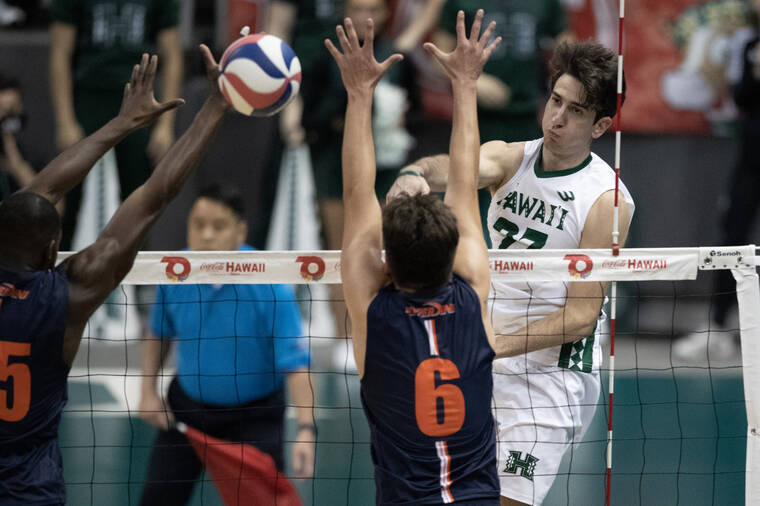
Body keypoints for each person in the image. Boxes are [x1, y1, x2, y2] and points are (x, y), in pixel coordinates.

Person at [388, 40, 636, 505]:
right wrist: (414, 171)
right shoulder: (511, 158)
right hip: (482, 356)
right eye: (555, 100)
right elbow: (457, 168)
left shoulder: (607, 199)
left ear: (601, 125)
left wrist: (486, 347)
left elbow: (581, 318)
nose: (557, 117)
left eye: (576, 111)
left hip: (550, 374)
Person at [0, 47, 227, 505]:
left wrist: (119, 123)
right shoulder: (65, 297)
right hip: (29, 494)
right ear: (51, 249)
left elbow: (40, 190)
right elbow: (155, 196)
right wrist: (216, 105)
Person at [327, 11, 502, 504]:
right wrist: (466, 84)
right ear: (453, 255)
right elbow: (465, 181)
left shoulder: (374, 313)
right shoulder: (471, 295)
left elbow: (357, 190)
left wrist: (359, 93)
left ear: (386, 263)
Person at [138, 183, 314, 505]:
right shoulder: (175, 274)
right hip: (187, 412)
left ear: (240, 231)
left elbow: (296, 362)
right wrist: (147, 392)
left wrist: (306, 430)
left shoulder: (271, 283)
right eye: (198, 225)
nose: (206, 236)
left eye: (218, 226)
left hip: (255, 419)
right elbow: (158, 333)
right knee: (157, 499)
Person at [431, 0, 570, 245]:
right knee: (467, 196)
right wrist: (475, 80)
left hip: (526, 116)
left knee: (526, 202)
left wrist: (562, 89)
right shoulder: (459, 2)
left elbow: (569, 50)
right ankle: (468, 271)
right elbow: (439, 53)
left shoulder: (547, 4)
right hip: (474, 119)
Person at [48, 0, 183, 250]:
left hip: (140, 95)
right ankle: (58, 277)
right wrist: (65, 120)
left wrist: (166, 125)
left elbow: (172, 55)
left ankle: (138, 278)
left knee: (140, 200)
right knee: (69, 194)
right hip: (88, 96)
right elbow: (59, 52)